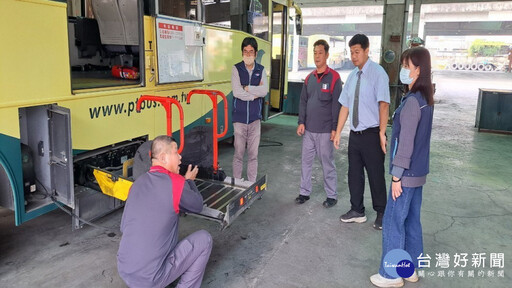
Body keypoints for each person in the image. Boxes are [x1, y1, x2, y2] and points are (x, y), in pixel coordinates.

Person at [370, 47, 434, 287]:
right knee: (411, 221)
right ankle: (409, 269)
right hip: (418, 174)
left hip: (405, 175)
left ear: (418, 70)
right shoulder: (425, 100)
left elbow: (406, 144)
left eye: (407, 67)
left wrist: (397, 177)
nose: (403, 71)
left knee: (393, 222)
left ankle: (391, 274)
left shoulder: (411, 103)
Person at [117, 136, 212, 288]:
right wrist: (189, 181)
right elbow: (197, 205)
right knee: (204, 240)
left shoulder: (137, 183)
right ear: (163, 157)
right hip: (150, 279)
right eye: (176, 152)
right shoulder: (176, 182)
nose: (180, 157)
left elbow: (124, 227)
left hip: (125, 270)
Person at [333, 34, 389, 229]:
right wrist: (339, 131)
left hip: (373, 135)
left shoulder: (378, 73)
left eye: (357, 52)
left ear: (367, 51)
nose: (354, 56)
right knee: (354, 174)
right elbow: (345, 106)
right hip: (355, 135)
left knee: (376, 175)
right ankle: (357, 210)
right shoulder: (352, 76)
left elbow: (384, 105)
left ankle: (382, 212)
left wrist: (382, 132)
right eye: (351, 52)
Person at [296, 39, 343, 208]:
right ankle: (304, 192)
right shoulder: (309, 78)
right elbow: (303, 101)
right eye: (315, 53)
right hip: (309, 130)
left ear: (327, 55)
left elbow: (337, 105)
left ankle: (332, 195)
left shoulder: (334, 78)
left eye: (320, 53)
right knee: (305, 162)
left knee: (327, 162)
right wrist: (301, 122)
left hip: (325, 131)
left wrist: (334, 129)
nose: (317, 56)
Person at [231, 37, 268, 182]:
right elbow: (236, 92)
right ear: (242, 52)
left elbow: (264, 91)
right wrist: (253, 95)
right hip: (239, 119)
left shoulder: (261, 69)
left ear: (256, 53)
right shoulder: (236, 69)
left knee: (253, 155)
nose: (248, 54)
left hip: (254, 119)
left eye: (251, 51)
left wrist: (247, 88)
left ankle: (251, 183)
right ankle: (237, 182)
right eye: (245, 51)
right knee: (238, 154)